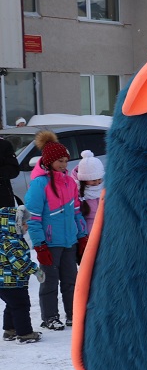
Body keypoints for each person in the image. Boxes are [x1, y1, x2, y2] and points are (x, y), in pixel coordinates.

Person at [25, 131, 87, 330]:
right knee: (49, 283)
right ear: (49, 161)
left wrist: (82, 236)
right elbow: (33, 219)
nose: (63, 164)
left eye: (65, 160)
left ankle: (72, 315)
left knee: (71, 282)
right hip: (50, 244)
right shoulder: (39, 184)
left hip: (69, 241)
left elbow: (77, 213)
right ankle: (50, 317)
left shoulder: (69, 182)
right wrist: (40, 245)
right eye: (59, 160)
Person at [1, 205, 44, 343]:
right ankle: (24, 333)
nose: (26, 226)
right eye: (23, 223)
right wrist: (35, 270)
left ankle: (10, 330)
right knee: (21, 306)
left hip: (6, 283)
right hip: (12, 281)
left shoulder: (6, 239)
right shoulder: (11, 242)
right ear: (13, 225)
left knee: (12, 305)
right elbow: (19, 262)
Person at [74, 150, 105, 233]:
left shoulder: (104, 189)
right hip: (90, 230)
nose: (97, 183)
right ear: (84, 180)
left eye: (99, 179)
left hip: (107, 228)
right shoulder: (79, 193)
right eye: (93, 180)